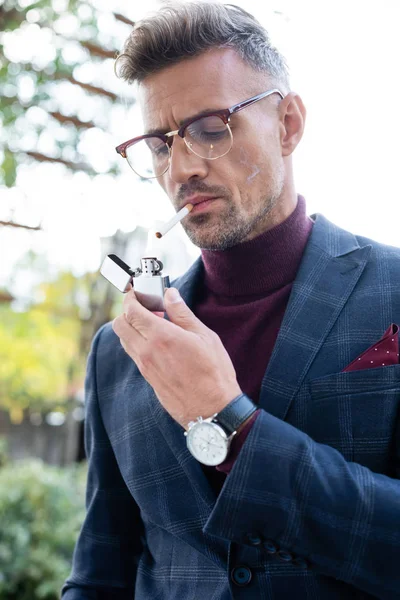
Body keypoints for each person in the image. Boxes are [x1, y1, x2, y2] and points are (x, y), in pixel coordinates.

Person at [62, 2, 400, 599]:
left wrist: (230, 422)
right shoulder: (118, 351)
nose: (182, 168)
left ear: (289, 124)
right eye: (160, 146)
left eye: (210, 128)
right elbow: (99, 574)